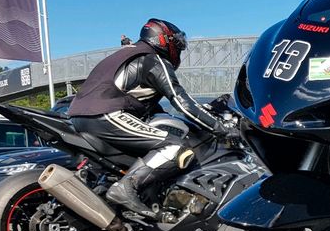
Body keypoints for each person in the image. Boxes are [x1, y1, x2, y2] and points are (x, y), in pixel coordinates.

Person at [68, 19, 228, 219]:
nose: (178, 47)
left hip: (79, 115)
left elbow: (140, 100)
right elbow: (181, 101)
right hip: (105, 114)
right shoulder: (152, 60)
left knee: (148, 148)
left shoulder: (127, 54)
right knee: (174, 147)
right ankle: (126, 188)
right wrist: (220, 128)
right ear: (162, 39)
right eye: (176, 42)